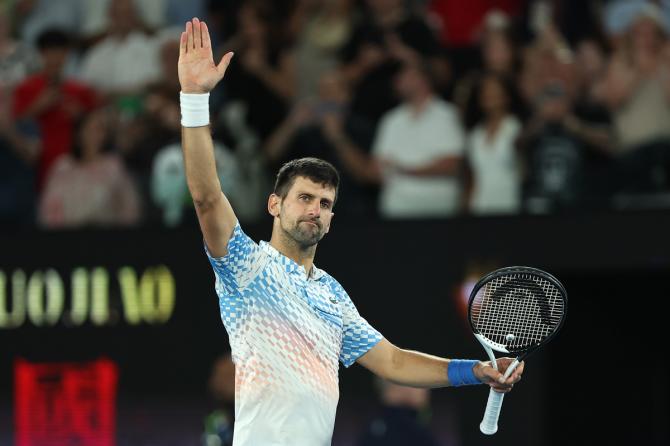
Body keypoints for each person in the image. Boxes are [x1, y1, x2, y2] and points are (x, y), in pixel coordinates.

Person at [178, 18, 523, 446]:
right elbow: (208, 197)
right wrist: (194, 99)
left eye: (325, 204)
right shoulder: (246, 266)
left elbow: (394, 362)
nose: (315, 210)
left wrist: (475, 371)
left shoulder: (333, 296)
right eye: (304, 198)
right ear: (274, 205)